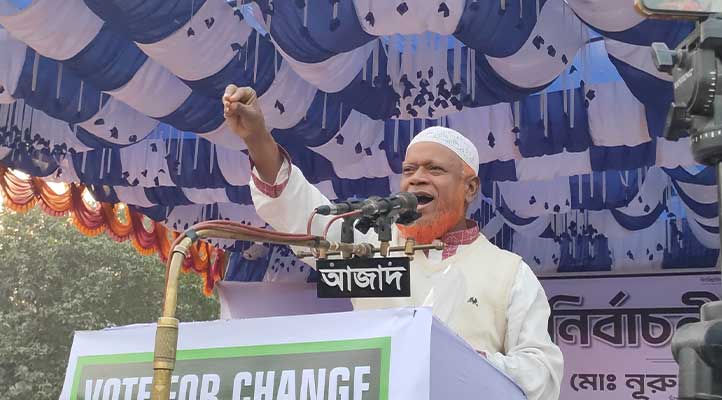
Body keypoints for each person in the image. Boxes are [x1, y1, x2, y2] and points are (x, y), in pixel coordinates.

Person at [222, 85, 564, 400]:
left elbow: (543, 373)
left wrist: (465, 362)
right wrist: (258, 138)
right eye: (409, 170)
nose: (417, 179)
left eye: (434, 169)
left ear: (470, 187)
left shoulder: (509, 273)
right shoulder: (369, 248)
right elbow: (301, 212)